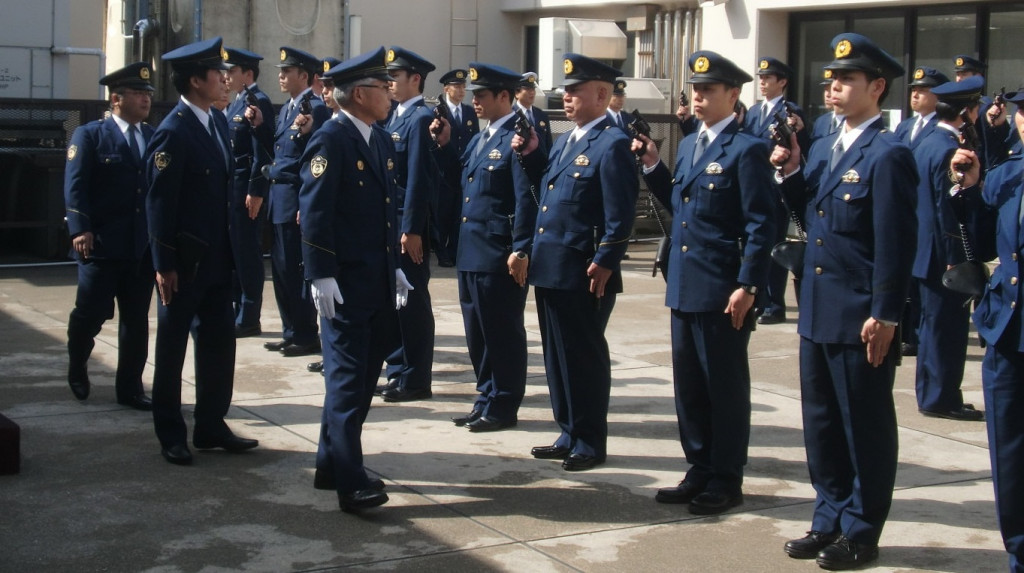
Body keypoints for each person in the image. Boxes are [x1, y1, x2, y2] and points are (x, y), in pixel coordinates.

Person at [771, 33, 917, 569]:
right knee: (823, 423)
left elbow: (895, 243)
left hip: (860, 314)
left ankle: (861, 529)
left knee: (864, 425)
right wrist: (788, 171)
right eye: (832, 79)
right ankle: (828, 516)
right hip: (818, 306)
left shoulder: (888, 154)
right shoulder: (831, 142)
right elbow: (812, 212)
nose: (833, 87)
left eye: (846, 80)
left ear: (876, 87)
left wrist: (887, 313)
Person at [634, 51, 776, 514]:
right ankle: (699, 466)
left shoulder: (747, 148)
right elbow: (683, 204)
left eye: (708, 90)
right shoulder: (694, 142)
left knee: (724, 387)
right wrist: (655, 167)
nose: (698, 96)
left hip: (722, 286)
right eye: (695, 90)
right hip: (686, 282)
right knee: (690, 386)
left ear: (733, 96)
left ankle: (726, 477)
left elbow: (761, 223)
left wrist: (749, 284)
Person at [298, 47, 408, 513]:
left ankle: (329, 463)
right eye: (383, 87)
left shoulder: (379, 139)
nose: (390, 93)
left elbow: (385, 213)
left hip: (375, 282)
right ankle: (351, 481)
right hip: (342, 285)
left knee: (363, 379)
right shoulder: (331, 140)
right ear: (361, 94)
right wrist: (320, 274)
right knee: (346, 384)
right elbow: (315, 213)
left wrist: (395, 267)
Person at [516, 53, 637, 472]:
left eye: (574, 91)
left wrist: (606, 259)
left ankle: (589, 439)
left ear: (602, 94)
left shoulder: (613, 143)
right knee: (556, 356)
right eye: (564, 92)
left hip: (584, 271)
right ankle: (568, 429)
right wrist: (532, 157)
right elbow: (549, 198)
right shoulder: (568, 139)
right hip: (551, 267)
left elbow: (621, 214)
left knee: (583, 358)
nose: (565, 98)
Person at [146, 37, 259, 465]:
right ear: (195, 81)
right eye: (218, 75)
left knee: (217, 345)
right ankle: (171, 433)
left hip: (216, 259)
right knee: (172, 349)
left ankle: (211, 425)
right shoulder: (173, 131)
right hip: (184, 263)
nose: (226, 81)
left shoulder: (215, 123)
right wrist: (164, 263)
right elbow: (159, 204)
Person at [951, 86, 1024, 573]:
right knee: (1010, 457)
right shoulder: (1011, 176)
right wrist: (969, 188)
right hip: (1007, 331)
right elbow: (977, 238)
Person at [446, 62, 538, 433]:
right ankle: (484, 396)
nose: (475, 101)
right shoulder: (480, 138)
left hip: (498, 253)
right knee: (477, 332)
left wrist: (521, 248)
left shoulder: (517, 137)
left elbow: (526, 199)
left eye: (482, 95)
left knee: (502, 333)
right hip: (472, 250)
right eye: (473, 95)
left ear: (504, 96)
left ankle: (504, 404)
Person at [63, 62, 155, 411]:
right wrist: (80, 228)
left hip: (139, 247)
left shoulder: (151, 135)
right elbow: (75, 186)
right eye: (137, 93)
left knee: (136, 322)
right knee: (91, 313)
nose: (146, 99)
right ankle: (77, 363)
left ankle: (130, 389)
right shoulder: (90, 135)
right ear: (116, 99)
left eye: (148, 93)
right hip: (100, 245)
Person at [910, 77, 985, 422]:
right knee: (947, 330)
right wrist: (959, 258)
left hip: (925, 250)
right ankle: (942, 398)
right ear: (968, 112)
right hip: (944, 252)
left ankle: (933, 394)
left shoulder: (927, 142)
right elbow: (948, 209)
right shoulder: (947, 149)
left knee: (932, 327)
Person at [376, 46, 439, 403]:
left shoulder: (418, 119)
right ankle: (398, 369)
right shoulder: (395, 116)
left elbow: (417, 179)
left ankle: (416, 377)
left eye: (395, 77)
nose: (389, 83)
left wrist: (412, 229)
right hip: (392, 223)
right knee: (395, 302)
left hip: (406, 227)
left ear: (415, 79)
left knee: (412, 302)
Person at [262, 46, 331, 358]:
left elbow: (312, 159)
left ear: (304, 76)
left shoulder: (315, 108)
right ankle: (290, 331)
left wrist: (307, 203)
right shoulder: (288, 108)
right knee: (280, 270)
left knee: (296, 269)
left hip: (295, 199)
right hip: (279, 198)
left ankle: (305, 334)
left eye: (287, 71)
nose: (281, 75)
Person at [745, 56, 808, 326]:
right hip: (757, 184)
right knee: (756, 241)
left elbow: (801, 145)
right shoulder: (753, 112)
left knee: (774, 244)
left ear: (782, 82)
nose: (763, 82)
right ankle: (759, 298)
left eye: (768, 78)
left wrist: (799, 131)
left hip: (777, 186)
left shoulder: (791, 112)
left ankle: (775, 304)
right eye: (761, 78)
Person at [894, 66, 950, 358]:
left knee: (923, 283)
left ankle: (916, 335)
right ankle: (907, 331)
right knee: (905, 278)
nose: (915, 94)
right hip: (905, 211)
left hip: (925, 213)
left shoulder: (940, 128)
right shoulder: (905, 127)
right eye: (914, 90)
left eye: (923, 90)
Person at [223, 47, 275, 339]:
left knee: (247, 253)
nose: (227, 77)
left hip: (246, 190)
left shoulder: (259, 102)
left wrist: (256, 190)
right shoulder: (236, 103)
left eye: (232, 72)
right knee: (234, 251)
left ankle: (249, 315)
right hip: (233, 188)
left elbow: (261, 151)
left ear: (248, 74)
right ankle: (237, 309)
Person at [433, 68, 479, 267]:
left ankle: (454, 250)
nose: (461, 91)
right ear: (446, 89)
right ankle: (441, 251)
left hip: (463, 168)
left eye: (463, 87)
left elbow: (475, 138)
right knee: (443, 212)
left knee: (459, 213)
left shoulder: (469, 112)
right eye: (457, 87)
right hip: (444, 171)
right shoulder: (438, 112)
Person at [514, 72, 553, 154]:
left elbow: (548, 144)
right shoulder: (510, 115)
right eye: (527, 89)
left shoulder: (541, 115)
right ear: (517, 93)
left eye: (533, 89)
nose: (532, 92)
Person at [811, 69, 844, 144]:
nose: (827, 95)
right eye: (826, 90)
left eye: (831, 89)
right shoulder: (821, 121)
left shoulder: (851, 122)